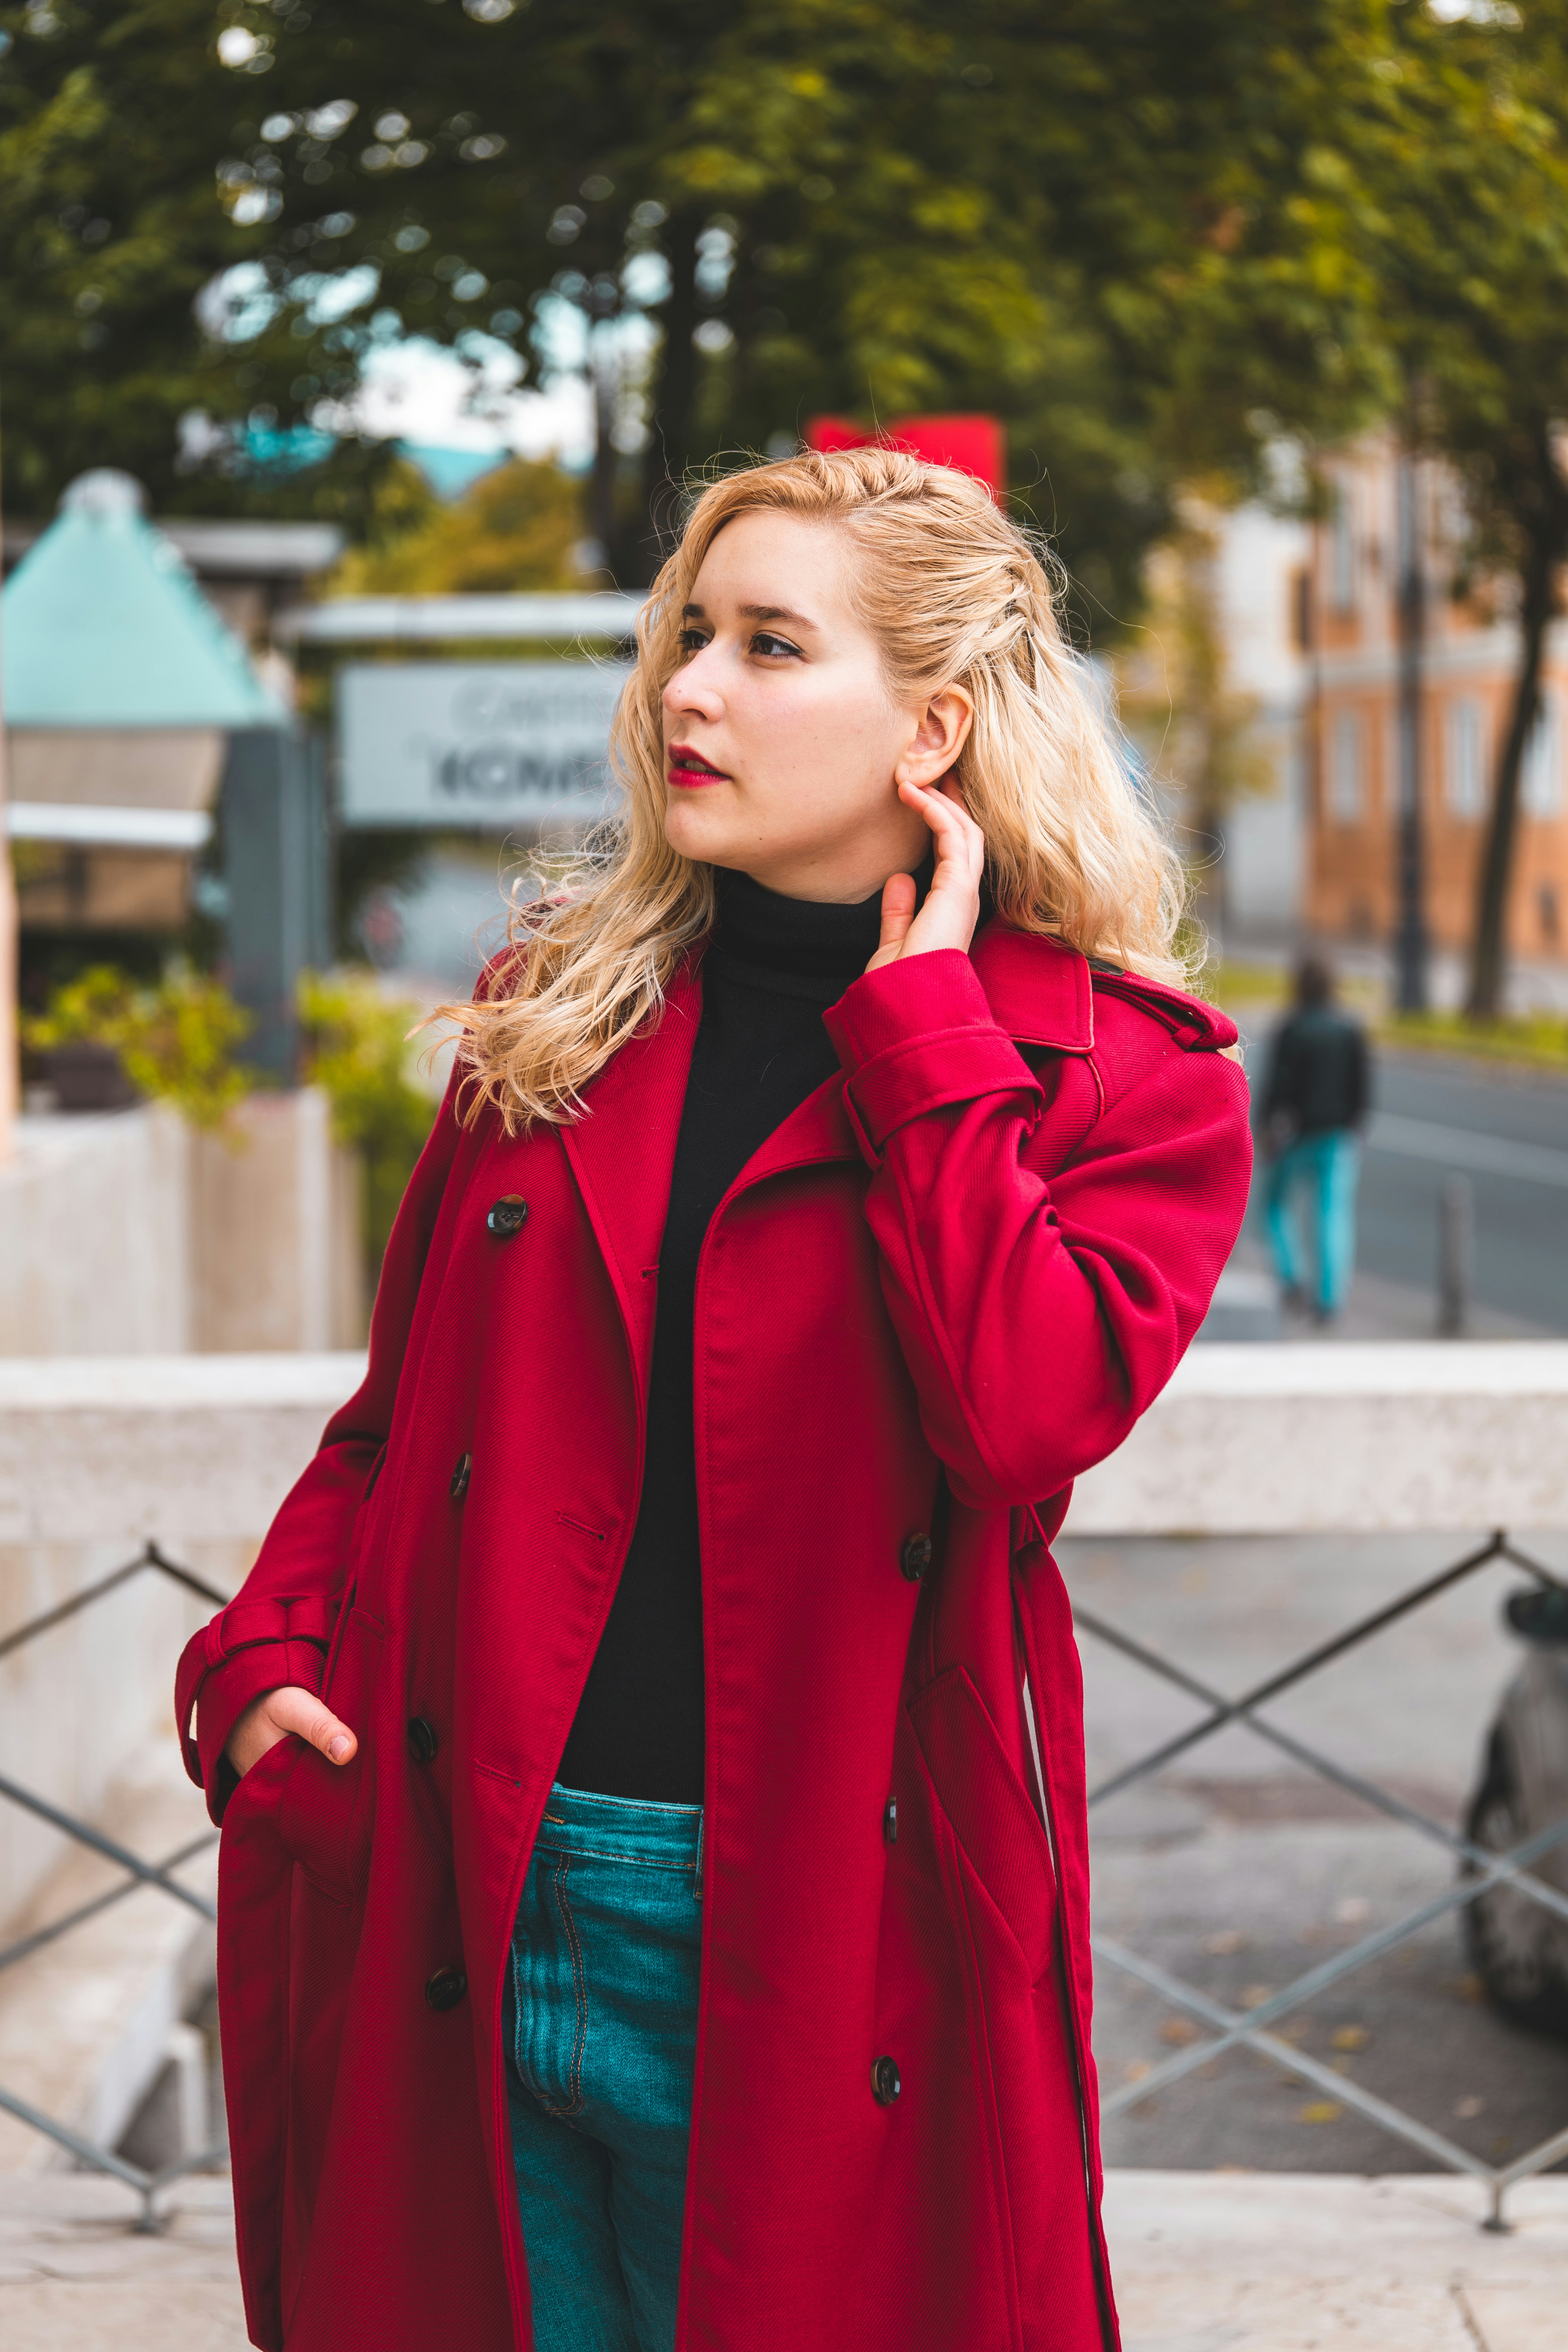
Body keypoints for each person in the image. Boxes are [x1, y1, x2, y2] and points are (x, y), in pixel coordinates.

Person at [175, 446, 1252, 2352]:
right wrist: (266, 1660)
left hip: (822, 1938)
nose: (688, 686)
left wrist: (921, 1039)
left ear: (932, 725)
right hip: (463, 1870)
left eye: (768, 646)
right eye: (690, 634)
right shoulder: (553, 1012)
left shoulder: (1116, 1077)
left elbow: (1018, 1416)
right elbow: (391, 1429)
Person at [1260, 954, 1370, 1323]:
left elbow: (1276, 1088)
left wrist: (1264, 1129)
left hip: (1297, 1134)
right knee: (1333, 1215)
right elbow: (1361, 1087)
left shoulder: (1292, 1029)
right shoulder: (1350, 1028)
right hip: (1338, 1137)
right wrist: (1356, 1123)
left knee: (1275, 1206)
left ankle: (1292, 1275)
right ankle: (1329, 1298)